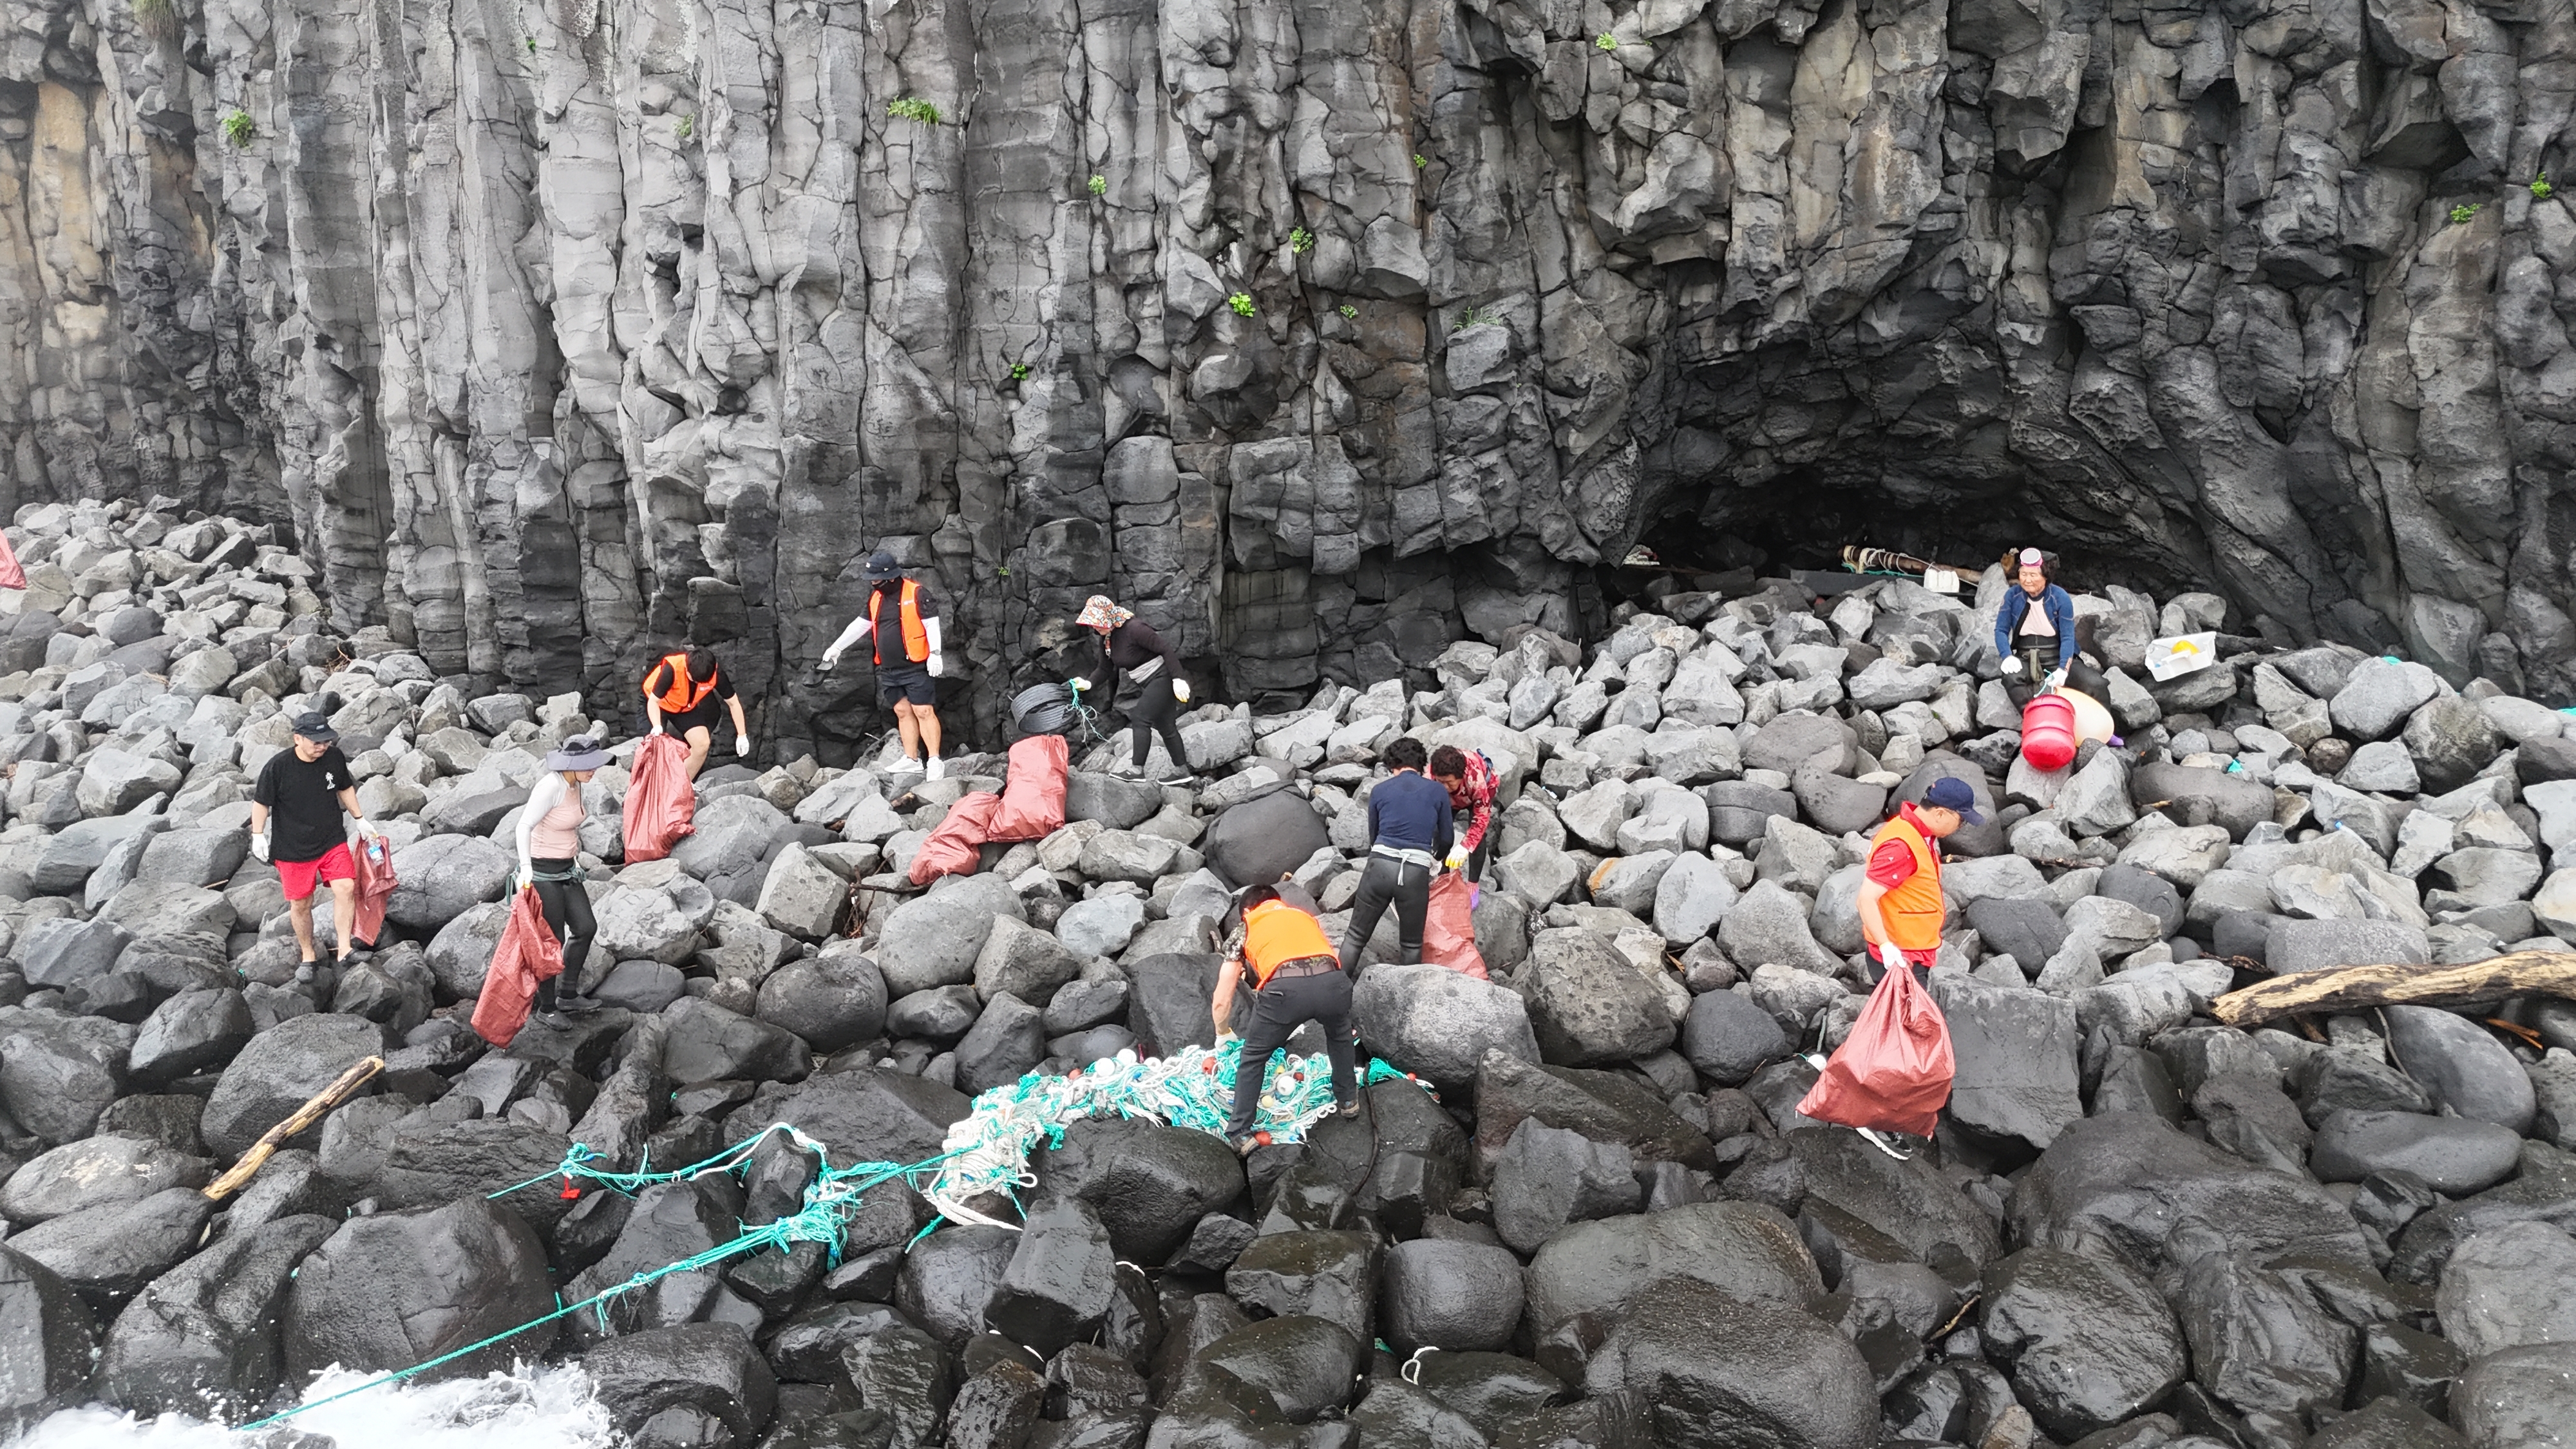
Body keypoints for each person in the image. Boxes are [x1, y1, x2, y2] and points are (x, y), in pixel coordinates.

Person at [1210, 878, 1360, 1155]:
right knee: (1340, 1036)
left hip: (1285, 993)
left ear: (1246, 912)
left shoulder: (1247, 927)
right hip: (1334, 983)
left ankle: (1240, 1133)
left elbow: (1223, 996)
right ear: (1278, 902)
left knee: (1254, 1057)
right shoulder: (1304, 918)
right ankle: (1348, 1100)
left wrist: (1223, 1032)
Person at [249, 706, 382, 985]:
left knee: (345, 887)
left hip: (331, 837)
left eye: (327, 741)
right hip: (293, 847)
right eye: (316, 742)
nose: (323, 747)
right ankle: (308, 955)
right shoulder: (278, 767)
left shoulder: (333, 757)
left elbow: (344, 787)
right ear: (298, 739)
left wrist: (360, 819)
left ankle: (345, 949)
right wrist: (258, 834)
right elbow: (261, 803)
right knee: (301, 903)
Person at [822, 553, 947, 780]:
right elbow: (861, 625)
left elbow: (932, 623)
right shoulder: (876, 597)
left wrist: (936, 654)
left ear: (890, 578)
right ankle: (912, 760)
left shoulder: (917, 593)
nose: (872, 582)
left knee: (924, 710)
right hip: (890, 669)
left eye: (876, 578)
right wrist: (836, 647)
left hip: (916, 665)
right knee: (902, 711)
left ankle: (935, 760)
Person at [516, 735, 609, 1027]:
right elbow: (524, 826)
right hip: (542, 873)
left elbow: (567, 829)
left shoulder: (576, 784)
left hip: (568, 869)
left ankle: (567, 994)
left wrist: (576, 860)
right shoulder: (551, 787)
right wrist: (525, 868)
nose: (594, 770)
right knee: (551, 940)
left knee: (585, 927)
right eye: (589, 765)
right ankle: (547, 1008)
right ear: (571, 764)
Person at [1340, 736, 1453, 972]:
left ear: (1393, 765)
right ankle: (1403, 1001)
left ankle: (1336, 989)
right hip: (1414, 871)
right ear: (1422, 765)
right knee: (1411, 946)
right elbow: (1447, 839)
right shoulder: (1437, 791)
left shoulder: (1380, 790)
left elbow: (1374, 836)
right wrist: (1436, 858)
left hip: (1380, 866)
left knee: (1355, 937)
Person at [1855, 776, 1980, 983]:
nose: (1961, 827)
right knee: (1910, 1015)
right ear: (1940, 814)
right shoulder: (1901, 846)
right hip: (1901, 958)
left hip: (1912, 951)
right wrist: (1886, 947)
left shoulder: (1912, 831)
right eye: (1962, 821)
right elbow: (1865, 899)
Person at [1070, 595, 1194, 784]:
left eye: (1096, 622)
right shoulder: (1107, 639)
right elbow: (1105, 669)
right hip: (1148, 682)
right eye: (1092, 623)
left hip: (1162, 677)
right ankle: (1182, 772)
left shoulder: (1135, 629)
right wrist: (1088, 684)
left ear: (1108, 618)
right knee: (1166, 726)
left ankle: (1137, 770)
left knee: (1140, 718)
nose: (1094, 627)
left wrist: (1178, 679)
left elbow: (1166, 649)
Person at [1993, 548, 2103, 706]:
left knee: (2095, 684)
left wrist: (2063, 668)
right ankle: (2032, 716)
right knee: (2012, 678)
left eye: (2033, 575)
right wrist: (2007, 656)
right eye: (2023, 574)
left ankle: (2102, 728)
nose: (2027, 580)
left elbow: (2068, 637)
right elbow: (2001, 630)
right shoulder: (2012, 595)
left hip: (2056, 654)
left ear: (2046, 576)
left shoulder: (2060, 597)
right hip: (2026, 655)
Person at [643, 647, 748, 781]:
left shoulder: (716, 674)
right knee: (654, 749)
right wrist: (657, 726)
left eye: (702, 682)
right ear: (687, 669)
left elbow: (733, 703)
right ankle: (645, 791)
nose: (698, 683)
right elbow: (653, 701)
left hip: (684, 707)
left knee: (702, 745)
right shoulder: (672, 668)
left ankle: (681, 785)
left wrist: (742, 735)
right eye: (695, 680)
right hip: (655, 702)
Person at [1428, 744, 1497, 885]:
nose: (1445, 787)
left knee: (1478, 838)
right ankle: (1442, 873)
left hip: (1476, 793)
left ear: (1461, 776)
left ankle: (1473, 882)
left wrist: (1466, 846)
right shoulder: (1430, 775)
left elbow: (1480, 819)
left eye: (1449, 783)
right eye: (1441, 782)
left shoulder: (1476, 780)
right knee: (1438, 831)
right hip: (1449, 799)